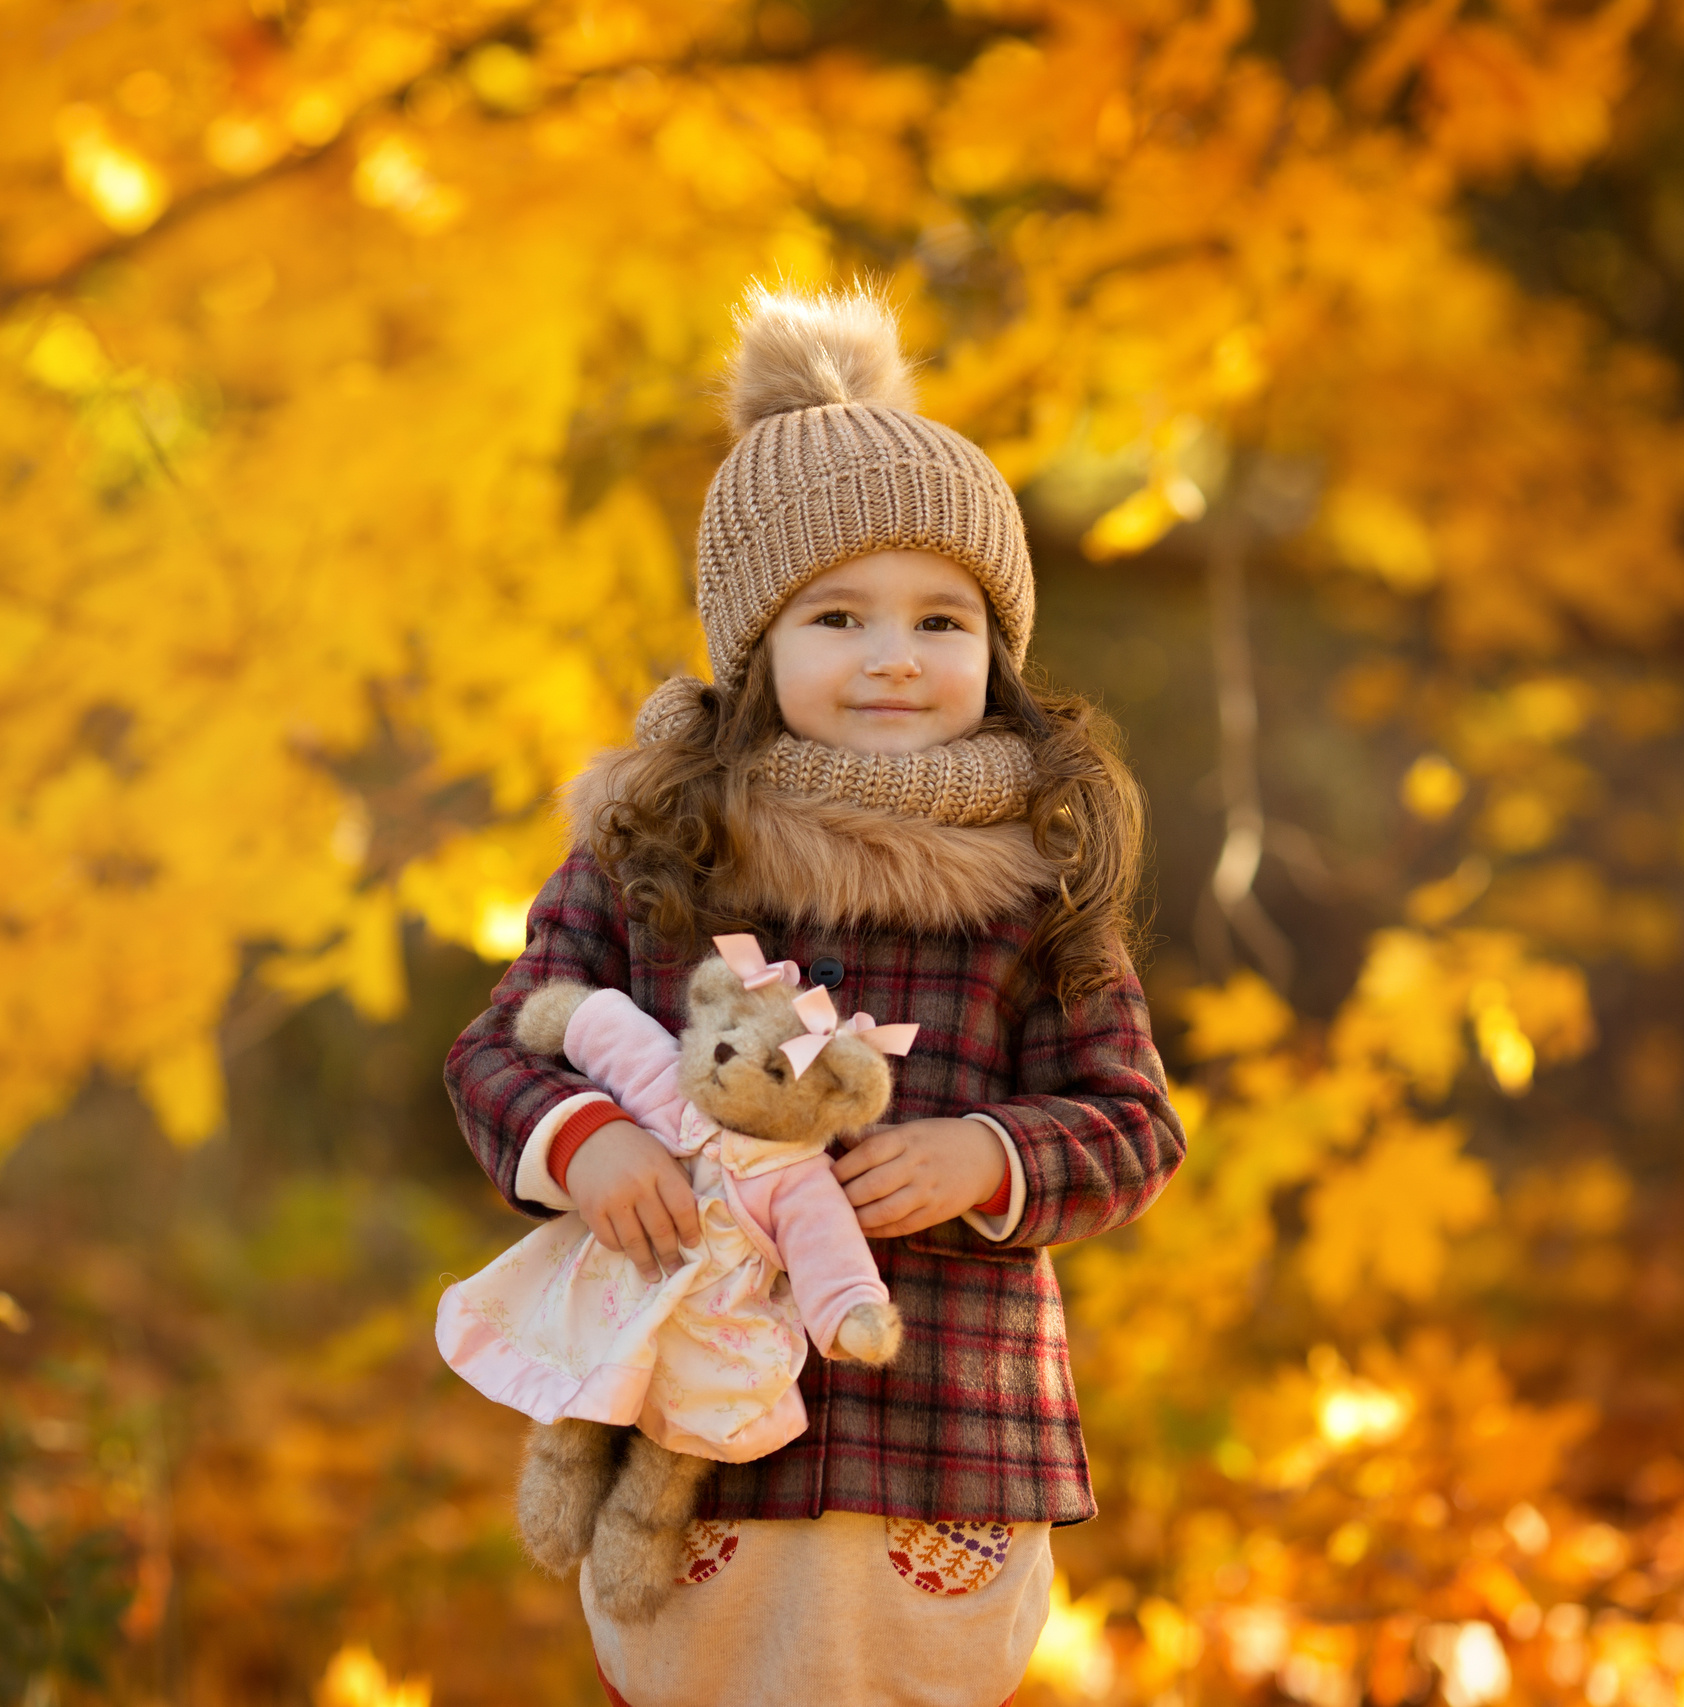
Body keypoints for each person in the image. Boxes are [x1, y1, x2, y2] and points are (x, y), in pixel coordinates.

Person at [442, 282, 1188, 1707]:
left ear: (999, 647)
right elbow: (502, 1042)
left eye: (942, 619)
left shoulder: (1039, 875)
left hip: (942, 1419)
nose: (895, 656)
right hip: (698, 1406)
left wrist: (993, 1154)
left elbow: (1134, 1122)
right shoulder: (662, 845)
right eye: (837, 615)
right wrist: (589, 1144)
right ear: (755, 653)